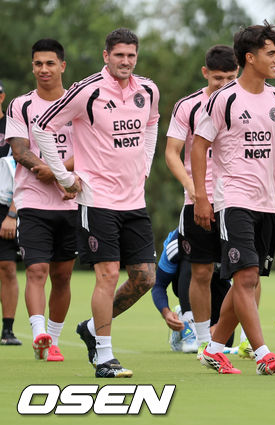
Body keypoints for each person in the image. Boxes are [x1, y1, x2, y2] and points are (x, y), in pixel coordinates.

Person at [33, 28, 160, 378]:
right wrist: (64, 177)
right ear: (106, 56)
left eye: (131, 55)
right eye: (119, 55)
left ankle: (90, 328)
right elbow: (42, 127)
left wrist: (145, 167)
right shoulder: (87, 90)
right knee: (107, 275)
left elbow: (152, 124)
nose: (125, 61)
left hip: (134, 200)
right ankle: (104, 357)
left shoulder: (148, 90)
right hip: (97, 199)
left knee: (145, 278)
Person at [192, 21, 275, 375]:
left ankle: (214, 348)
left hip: (267, 202)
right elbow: (199, 147)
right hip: (233, 199)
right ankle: (262, 354)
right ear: (250, 57)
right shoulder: (224, 99)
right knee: (245, 277)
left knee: (249, 278)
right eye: (271, 53)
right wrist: (201, 197)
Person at [165, 45, 240, 357]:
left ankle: (245, 341)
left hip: (237, 199)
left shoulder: (247, 102)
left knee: (246, 272)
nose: (224, 84)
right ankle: (200, 338)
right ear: (205, 73)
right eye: (218, 78)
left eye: (230, 78)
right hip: (199, 199)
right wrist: (193, 189)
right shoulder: (188, 106)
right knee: (201, 271)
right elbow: (172, 152)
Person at [6, 39, 76, 361]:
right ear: (32, 67)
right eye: (38, 64)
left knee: (62, 276)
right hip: (32, 201)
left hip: (71, 202)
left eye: (50, 63)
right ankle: (39, 334)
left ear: (62, 65)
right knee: (36, 270)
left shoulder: (78, 103)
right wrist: (50, 171)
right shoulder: (21, 105)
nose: (44, 69)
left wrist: (59, 173)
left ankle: (54, 340)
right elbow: (19, 150)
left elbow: (90, 150)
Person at [151, 227, 234, 352]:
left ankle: (198, 323)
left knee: (225, 342)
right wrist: (166, 313)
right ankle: (187, 321)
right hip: (185, 282)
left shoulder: (231, 241)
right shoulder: (176, 243)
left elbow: (240, 288)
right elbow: (159, 285)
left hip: (217, 286)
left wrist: (220, 325)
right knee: (193, 260)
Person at [0, 80, 22, 346]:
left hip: (4, 205)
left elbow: (22, 171)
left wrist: (13, 213)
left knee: (6, 267)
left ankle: (7, 330)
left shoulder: (13, 128)